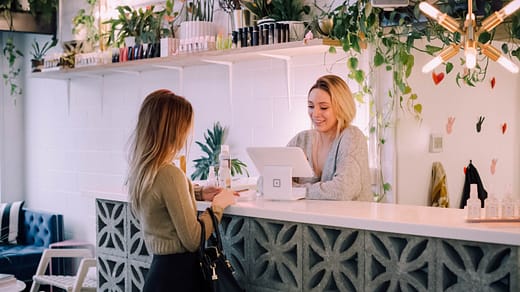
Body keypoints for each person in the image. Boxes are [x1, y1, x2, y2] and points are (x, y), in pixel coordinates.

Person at [127, 89, 236, 292]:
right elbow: (193, 239)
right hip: (179, 278)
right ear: (175, 129)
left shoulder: (144, 170)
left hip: (159, 276)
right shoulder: (170, 173)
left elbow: (160, 198)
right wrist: (218, 206)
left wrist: (197, 194)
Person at [287, 75, 372, 201]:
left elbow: (342, 190)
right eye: (311, 106)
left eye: (324, 107)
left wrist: (295, 190)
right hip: (309, 219)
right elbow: (264, 182)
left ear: (341, 107)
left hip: (346, 219)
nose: (315, 114)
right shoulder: (302, 140)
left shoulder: (352, 137)